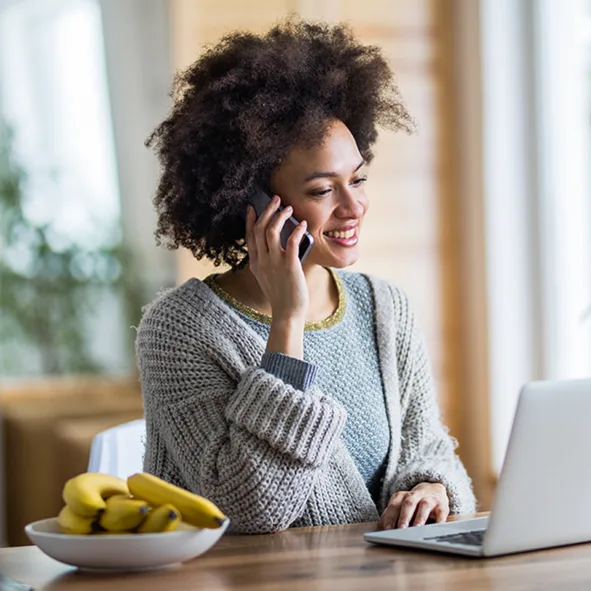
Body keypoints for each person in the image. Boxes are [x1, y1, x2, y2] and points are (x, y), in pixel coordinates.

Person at [136, 18, 476, 534]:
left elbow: (425, 446)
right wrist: (287, 322)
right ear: (251, 201)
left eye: (358, 179)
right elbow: (247, 508)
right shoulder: (179, 330)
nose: (354, 206)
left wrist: (431, 487)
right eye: (322, 191)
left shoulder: (384, 307)